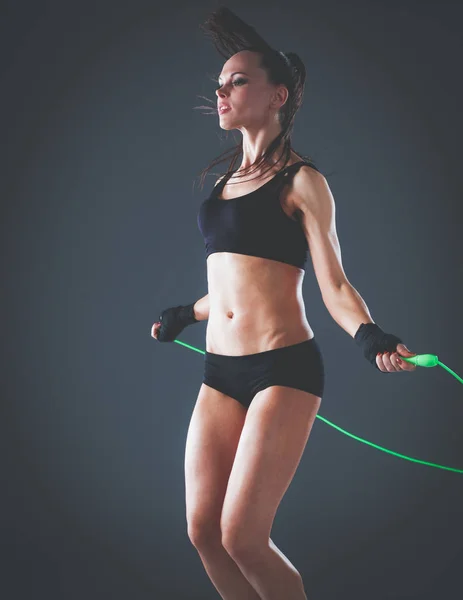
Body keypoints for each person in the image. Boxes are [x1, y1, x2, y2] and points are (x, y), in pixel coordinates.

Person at [151, 7, 416, 600]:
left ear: (278, 95)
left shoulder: (302, 181)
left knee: (242, 535)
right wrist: (186, 314)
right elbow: (234, 282)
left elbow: (334, 285)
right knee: (203, 532)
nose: (221, 91)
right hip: (219, 371)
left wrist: (370, 336)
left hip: (283, 368)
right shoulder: (222, 185)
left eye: (237, 80)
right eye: (219, 83)